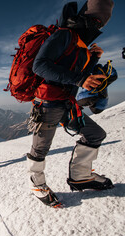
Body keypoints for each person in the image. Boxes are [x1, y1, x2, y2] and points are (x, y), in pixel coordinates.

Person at [27, 0, 115, 207]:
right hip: (47, 104)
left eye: (101, 23)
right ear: (86, 18)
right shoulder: (64, 35)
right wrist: (79, 80)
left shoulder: (81, 44)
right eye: (96, 20)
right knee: (40, 149)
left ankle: (81, 176)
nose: (98, 26)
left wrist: (93, 59)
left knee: (95, 134)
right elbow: (39, 66)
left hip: (67, 103)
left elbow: (77, 73)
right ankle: (37, 185)